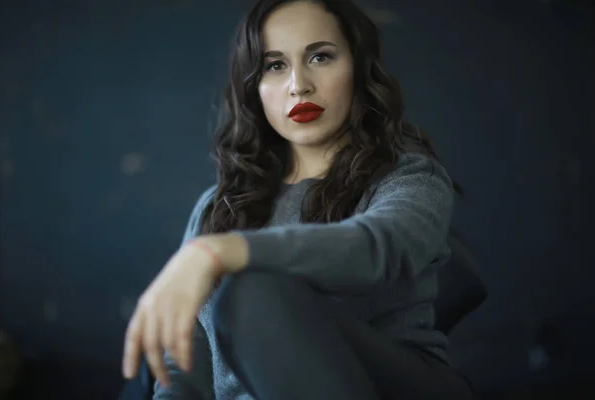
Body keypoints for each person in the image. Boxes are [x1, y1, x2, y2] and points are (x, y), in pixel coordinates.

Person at [122, 0, 476, 398]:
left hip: (398, 386)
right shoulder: (216, 207)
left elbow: (376, 250)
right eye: (275, 65)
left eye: (321, 57)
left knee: (253, 295)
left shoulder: (410, 177)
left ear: (359, 69)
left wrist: (219, 253)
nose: (299, 84)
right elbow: (186, 367)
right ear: (253, 88)